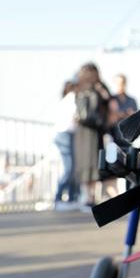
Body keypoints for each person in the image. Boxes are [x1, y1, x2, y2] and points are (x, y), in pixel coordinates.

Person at [73, 62, 111, 210]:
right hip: (88, 130)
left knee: (93, 162)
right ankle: (88, 198)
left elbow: (107, 100)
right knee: (88, 162)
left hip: (93, 130)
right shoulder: (81, 89)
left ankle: (90, 197)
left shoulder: (96, 88)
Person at [52, 80, 79, 210]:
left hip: (63, 135)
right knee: (70, 168)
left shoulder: (63, 100)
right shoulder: (72, 98)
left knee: (71, 168)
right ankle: (58, 198)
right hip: (65, 135)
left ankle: (70, 198)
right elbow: (76, 117)